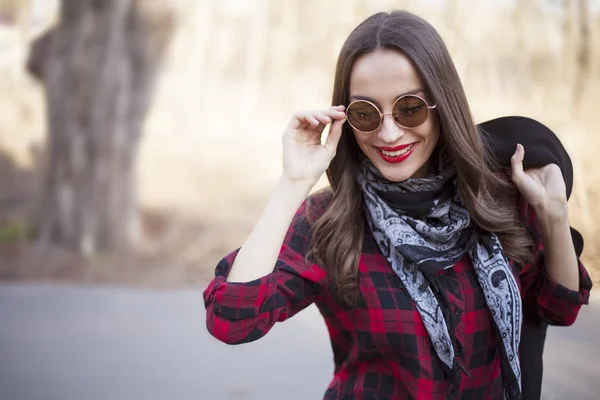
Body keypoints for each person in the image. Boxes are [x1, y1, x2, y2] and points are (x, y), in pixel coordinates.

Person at [203, 10, 592, 400]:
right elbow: (232, 321)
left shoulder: (494, 196)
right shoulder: (330, 221)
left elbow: (559, 308)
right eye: (365, 113)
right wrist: (292, 184)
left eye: (410, 108)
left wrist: (554, 214)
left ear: (443, 103)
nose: (388, 134)